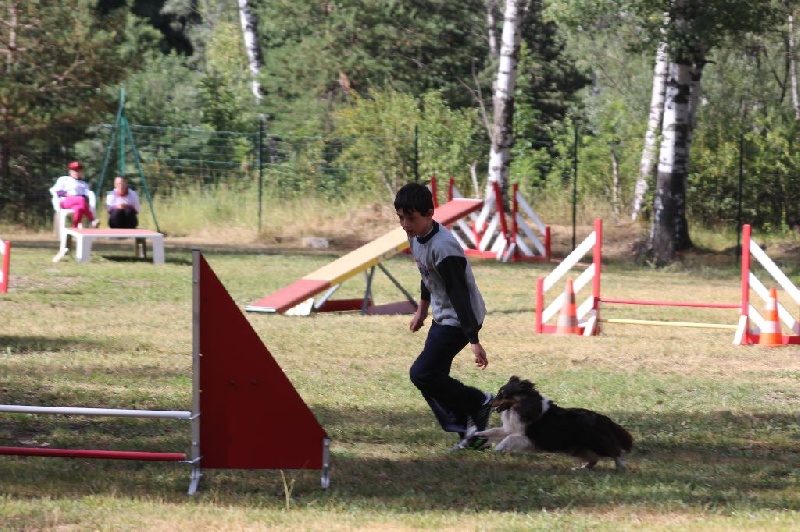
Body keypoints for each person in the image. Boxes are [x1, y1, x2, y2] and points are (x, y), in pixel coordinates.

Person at [394, 182, 494, 452]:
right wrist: (421, 311)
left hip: (462, 319)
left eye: (411, 218)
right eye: (401, 218)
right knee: (433, 378)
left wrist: (473, 339)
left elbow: (459, 294)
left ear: (429, 213)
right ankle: (470, 431)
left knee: (422, 374)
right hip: (444, 317)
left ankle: (478, 402)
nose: (405, 224)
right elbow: (426, 275)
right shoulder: (415, 237)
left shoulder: (445, 248)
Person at [49, 161, 98, 228]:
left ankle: (73, 229)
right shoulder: (64, 179)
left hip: (78, 203)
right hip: (66, 201)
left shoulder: (83, 184)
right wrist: (66, 194)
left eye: (79, 171)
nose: (77, 172)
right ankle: (92, 220)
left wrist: (79, 198)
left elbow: (86, 196)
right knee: (81, 199)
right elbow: (56, 191)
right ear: (70, 172)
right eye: (75, 170)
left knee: (79, 209)